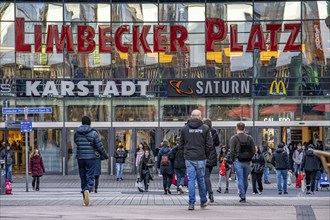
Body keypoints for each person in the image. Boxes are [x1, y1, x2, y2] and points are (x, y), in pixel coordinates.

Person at [179, 109, 213, 210]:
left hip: (189, 158)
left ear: (191, 116)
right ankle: (203, 201)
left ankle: (191, 203)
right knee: (201, 180)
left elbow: (180, 145)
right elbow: (209, 145)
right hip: (201, 157)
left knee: (191, 180)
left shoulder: (185, 129)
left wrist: (185, 154)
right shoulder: (205, 128)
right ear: (200, 116)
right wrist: (205, 154)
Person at [74, 116, 108, 206]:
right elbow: (99, 146)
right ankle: (88, 189)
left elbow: (76, 142)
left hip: (80, 157)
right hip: (90, 158)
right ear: (89, 123)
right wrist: (104, 156)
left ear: (82, 122)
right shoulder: (93, 133)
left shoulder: (77, 132)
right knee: (90, 175)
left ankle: (85, 198)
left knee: (82, 177)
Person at [230, 122, 256, 203]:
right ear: (244, 128)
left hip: (238, 160)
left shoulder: (234, 138)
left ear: (236, 128)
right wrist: (250, 156)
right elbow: (253, 150)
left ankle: (242, 195)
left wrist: (233, 159)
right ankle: (244, 193)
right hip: (247, 161)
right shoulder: (249, 138)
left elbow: (232, 151)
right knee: (245, 179)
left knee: (240, 178)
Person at [203, 119, 219, 203]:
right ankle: (206, 195)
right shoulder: (214, 131)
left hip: (205, 155)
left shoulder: (203, 131)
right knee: (207, 176)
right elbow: (217, 143)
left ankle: (210, 194)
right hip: (212, 155)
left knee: (205, 177)